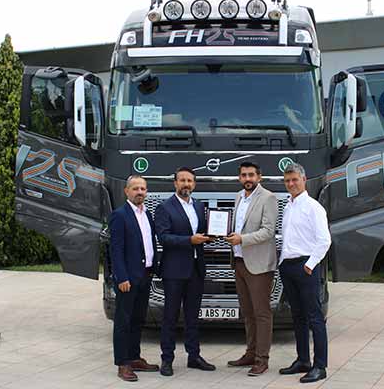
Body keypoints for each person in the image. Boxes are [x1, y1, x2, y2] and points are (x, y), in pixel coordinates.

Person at [155, 167, 215, 376]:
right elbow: (164, 238)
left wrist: (212, 236)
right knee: (170, 317)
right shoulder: (164, 207)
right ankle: (167, 359)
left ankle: (194, 356)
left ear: (194, 184)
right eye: (182, 180)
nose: (186, 184)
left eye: (189, 181)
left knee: (193, 317)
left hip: (196, 270)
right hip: (174, 271)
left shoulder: (199, 206)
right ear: (175, 183)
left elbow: (203, 232)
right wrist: (190, 240)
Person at [277, 163, 332, 383]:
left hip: (305, 267)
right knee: (297, 316)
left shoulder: (313, 207)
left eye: (294, 180)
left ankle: (320, 366)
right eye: (287, 181)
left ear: (304, 180)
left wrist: (309, 265)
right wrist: (282, 263)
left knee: (314, 318)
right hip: (288, 266)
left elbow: (324, 240)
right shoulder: (288, 207)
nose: (291, 184)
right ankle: (303, 360)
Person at [224, 161, 278, 376]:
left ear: (259, 177)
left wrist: (241, 239)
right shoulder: (239, 196)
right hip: (239, 261)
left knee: (261, 313)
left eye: (251, 175)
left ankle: (262, 359)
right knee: (247, 312)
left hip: (259, 265)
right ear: (239, 178)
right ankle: (250, 353)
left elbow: (268, 231)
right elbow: (238, 226)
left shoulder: (268, 198)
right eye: (244, 175)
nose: (247, 179)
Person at [108, 175, 160, 382]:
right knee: (123, 321)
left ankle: (135, 357)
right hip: (127, 279)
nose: (140, 192)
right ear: (126, 191)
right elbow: (116, 249)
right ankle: (123, 363)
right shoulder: (119, 215)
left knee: (138, 320)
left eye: (143, 189)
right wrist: (121, 277)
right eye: (136, 188)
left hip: (145, 275)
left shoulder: (147, 214)